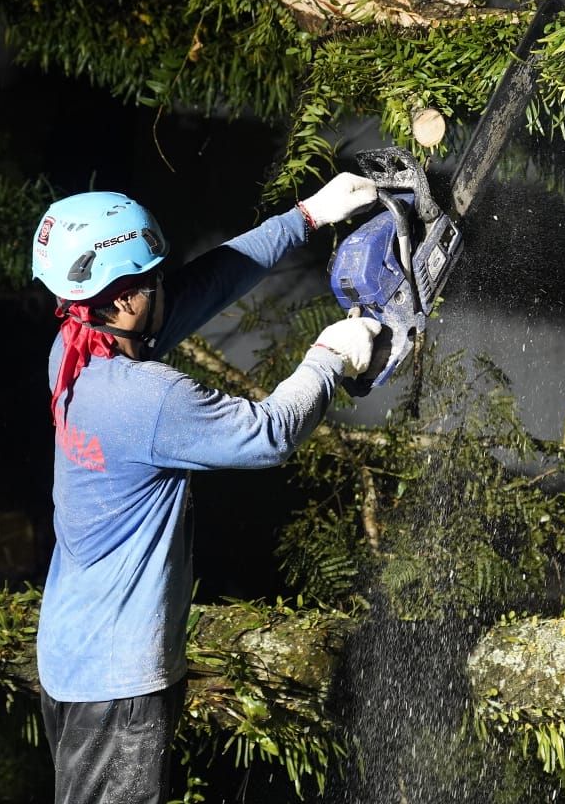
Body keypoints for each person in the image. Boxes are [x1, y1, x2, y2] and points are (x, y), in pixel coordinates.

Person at [28, 174, 382, 804]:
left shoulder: (74, 349)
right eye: (153, 278)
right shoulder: (149, 399)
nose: (167, 285)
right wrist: (329, 356)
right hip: (118, 682)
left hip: (74, 655)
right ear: (124, 300)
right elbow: (268, 434)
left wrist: (306, 217)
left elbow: (206, 284)